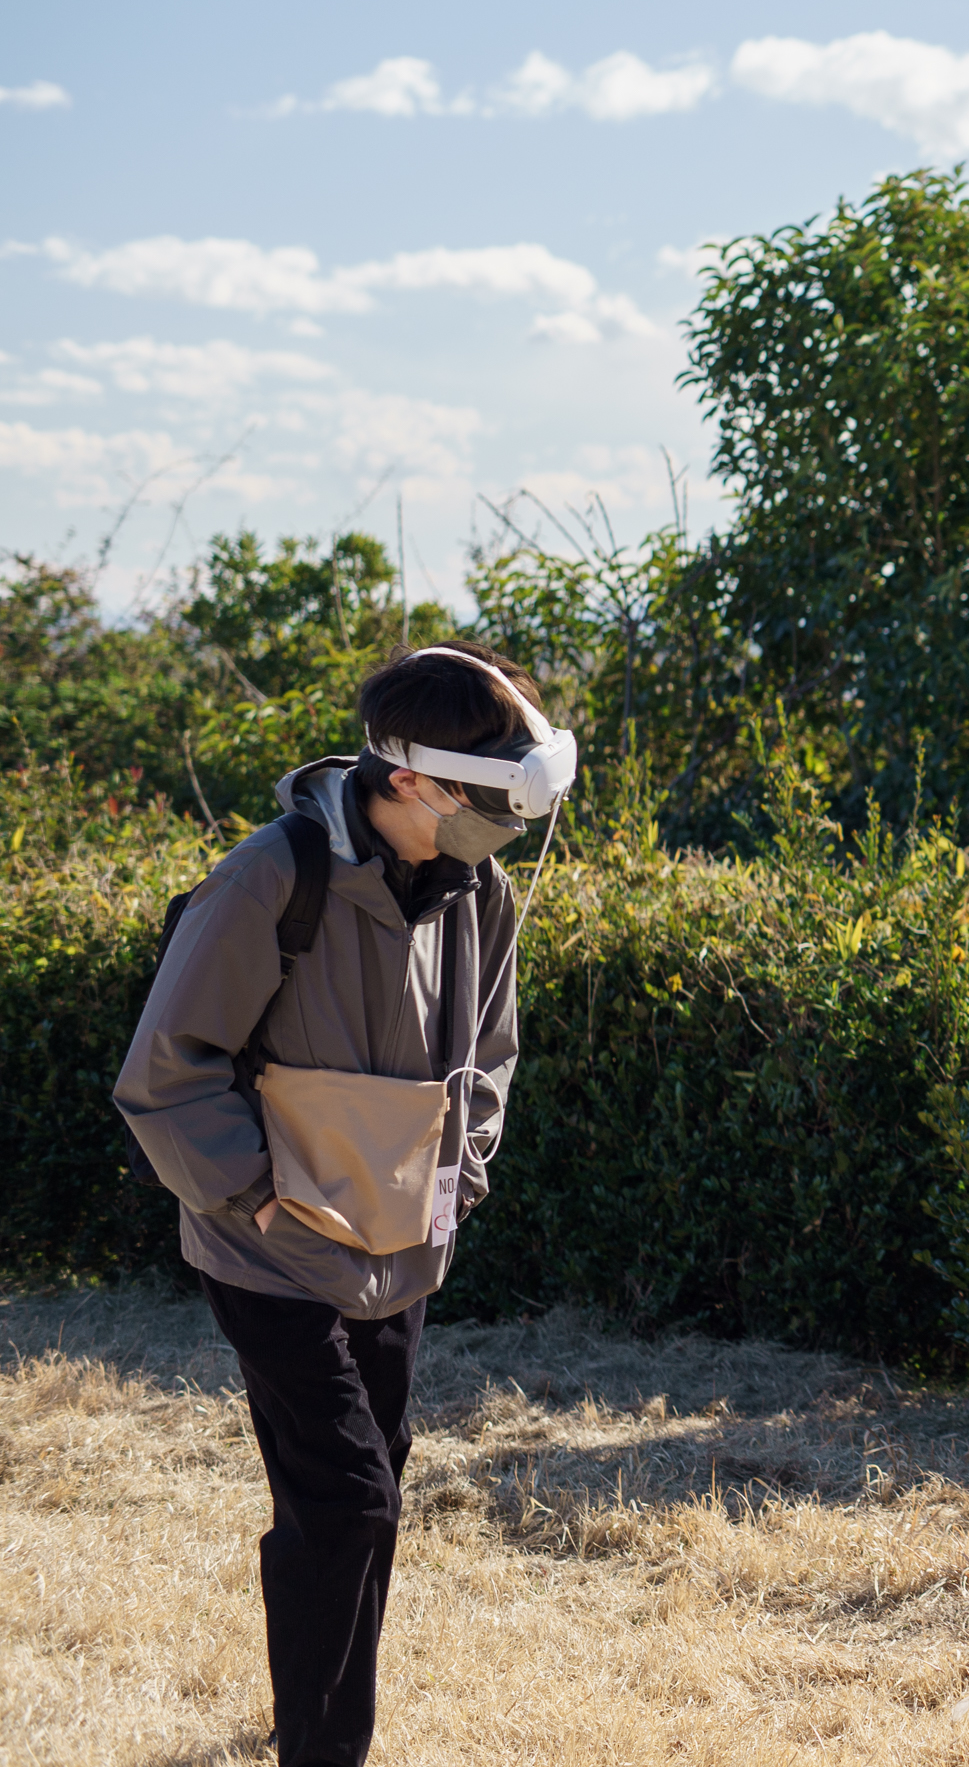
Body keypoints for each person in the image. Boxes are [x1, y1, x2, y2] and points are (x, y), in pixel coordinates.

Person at [113, 642, 570, 1767]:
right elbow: (165, 1073)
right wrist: (256, 1196)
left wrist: (459, 1177)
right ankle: (325, 1749)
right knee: (351, 1501)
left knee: (361, 1498)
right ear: (409, 778)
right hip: (268, 1251)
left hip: (399, 1247)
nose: (508, 832)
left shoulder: (479, 892)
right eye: (491, 804)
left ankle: (311, 1719)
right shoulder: (270, 878)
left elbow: (491, 1054)